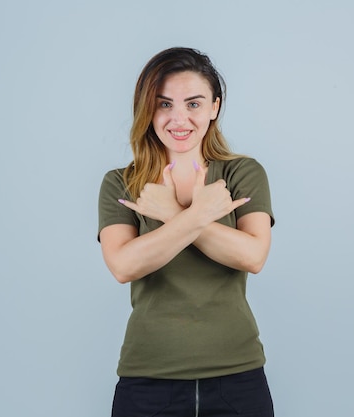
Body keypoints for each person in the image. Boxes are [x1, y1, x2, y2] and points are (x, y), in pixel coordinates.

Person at [97, 47, 276, 417]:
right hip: (147, 378)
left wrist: (171, 213)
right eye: (164, 105)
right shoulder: (122, 183)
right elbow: (123, 265)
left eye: (193, 104)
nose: (179, 118)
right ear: (147, 110)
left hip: (237, 376)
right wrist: (196, 215)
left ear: (214, 107)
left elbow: (252, 256)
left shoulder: (241, 174)